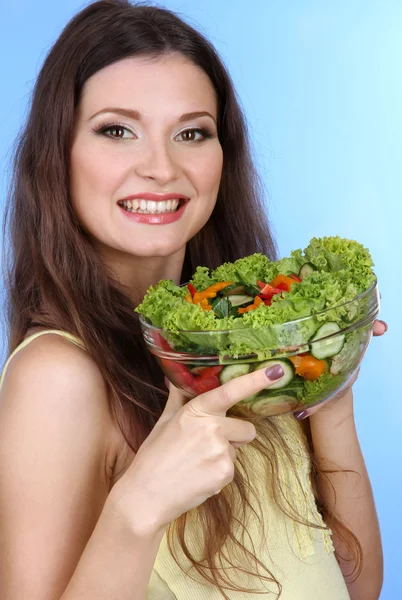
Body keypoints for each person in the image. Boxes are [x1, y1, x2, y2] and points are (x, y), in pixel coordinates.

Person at [0, 1, 387, 599]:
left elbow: (355, 588)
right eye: (117, 130)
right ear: (59, 153)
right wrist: (139, 505)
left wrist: (331, 394)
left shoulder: (241, 339)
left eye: (191, 132)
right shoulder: (59, 376)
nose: (161, 166)